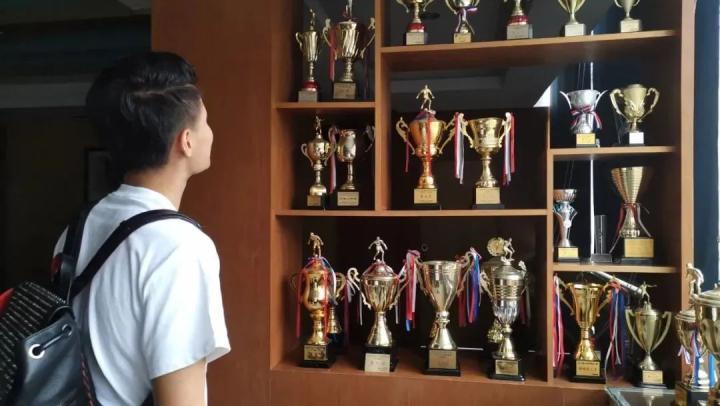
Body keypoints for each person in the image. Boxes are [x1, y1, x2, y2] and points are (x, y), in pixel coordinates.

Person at [52, 52, 230, 406]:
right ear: (186, 141)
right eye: (206, 122)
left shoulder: (76, 229)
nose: (211, 132)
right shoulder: (179, 248)